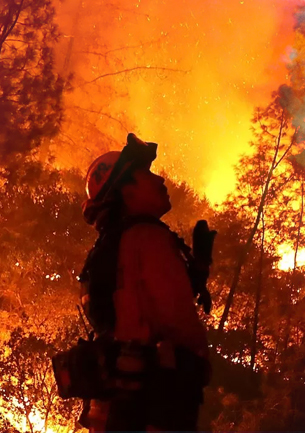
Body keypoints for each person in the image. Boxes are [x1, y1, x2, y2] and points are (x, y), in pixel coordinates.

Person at [78, 133, 213, 432]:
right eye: (147, 174)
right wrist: (199, 364)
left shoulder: (109, 246)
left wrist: (196, 273)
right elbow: (175, 316)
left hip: (113, 408)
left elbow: (135, 308)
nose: (159, 179)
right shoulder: (148, 236)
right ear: (127, 192)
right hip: (152, 408)